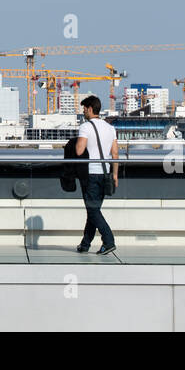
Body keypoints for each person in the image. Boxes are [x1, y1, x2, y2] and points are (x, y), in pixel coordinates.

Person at [74, 96, 118, 255]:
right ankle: (85, 244)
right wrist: (115, 175)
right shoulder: (110, 128)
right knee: (94, 210)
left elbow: (79, 151)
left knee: (92, 210)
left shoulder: (85, 127)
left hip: (91, 173)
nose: (83, 112)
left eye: (84, 109)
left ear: (90, 109)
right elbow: (115, 153)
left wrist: (75, 143)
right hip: (105, 173)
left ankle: (109, 240)